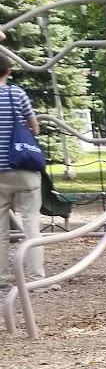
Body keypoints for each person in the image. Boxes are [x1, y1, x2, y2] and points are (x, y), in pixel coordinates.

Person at [0, 55, 45, 286]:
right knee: (31, 224)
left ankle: (2, 279)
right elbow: (34, 128)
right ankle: (36, 277)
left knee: (0, 231)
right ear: (7, 70)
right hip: (23, 167)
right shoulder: (16, 94)